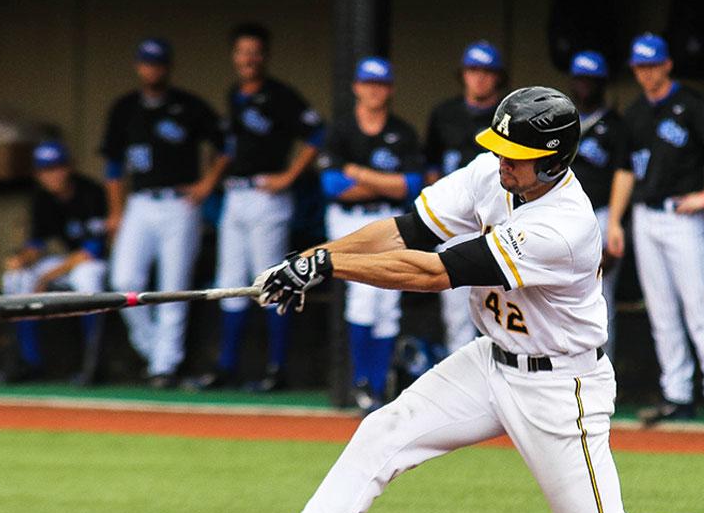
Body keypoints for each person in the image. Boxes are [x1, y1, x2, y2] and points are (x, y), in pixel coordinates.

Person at [199, 87, 704, 513]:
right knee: (381, 431)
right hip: (492, 359)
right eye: (501, 150)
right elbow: (405, 231)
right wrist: (314, 256)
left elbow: (433, 271)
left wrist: (332, 266)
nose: (503, 164)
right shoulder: (493, 172)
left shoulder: (565, 225)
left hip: (561, 387)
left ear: (554, 161)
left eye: (519, 158)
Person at [605, 34, 704, 426]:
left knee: (697, 302)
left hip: (682, 215)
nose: (646, 73)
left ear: (667, 65)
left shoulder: (690, 104)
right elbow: (625, 171)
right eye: (640, 66)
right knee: (661, 309)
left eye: (652, 65)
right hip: (646, 216)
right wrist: (615, 220)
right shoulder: (633, 114)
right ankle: (677, 393)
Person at [186, 22, 323, 392]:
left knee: (271, 279)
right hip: (235, 194)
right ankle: (226, 365)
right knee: (230, 281)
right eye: (242, 52)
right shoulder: (235, 94)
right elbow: (229, 150)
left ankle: (276, 369)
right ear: (235, 57)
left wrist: (289, 176)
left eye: (255, 52)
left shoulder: (281, 95)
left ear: (265, 56)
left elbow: (317, 134)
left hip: (267, 195)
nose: (249, 58)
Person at [100, 39, 221, 388]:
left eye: (158, 63)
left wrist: (207, 184)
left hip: (179, 203)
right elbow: (112, 163)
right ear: (139, 66)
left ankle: (163, 367)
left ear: (167, 67)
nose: (152, 69)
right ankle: (156, 351)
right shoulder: (125, 108)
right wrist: (115, 211)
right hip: (139, 202)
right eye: (146, 63)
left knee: (173, 286)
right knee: (123, 281)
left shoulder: (188, 106)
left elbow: (224, 145)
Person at [318, 57, 425, 412]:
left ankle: (377, 388)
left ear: (390, 89)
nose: (374, 89)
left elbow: (409, 185)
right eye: (368, 83)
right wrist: (384, 184)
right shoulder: (341, 130)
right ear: (356, 87)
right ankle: (363, 382)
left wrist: (359, 174)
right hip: (348, 219)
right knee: (365, 294)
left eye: (380, 84)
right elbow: (332, 185)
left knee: (388, 301)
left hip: (388, 218)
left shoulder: (402, 132)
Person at [0, 141, 111, 385]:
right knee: (16, 278)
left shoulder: (90, 192)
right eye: (46, 170)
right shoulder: (42, 199)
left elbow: (92, 251)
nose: (53, 175)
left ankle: (92, 365)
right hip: (68, 262)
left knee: (86, 279)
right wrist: (20, 259)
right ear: (38, 174)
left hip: (95, 262)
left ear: (69, 167)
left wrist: (46, 277)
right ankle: (28, 362)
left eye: (57, 167)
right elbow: (37, 245)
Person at [421, 41, 509, 355]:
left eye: (487, 71)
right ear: (463, 74)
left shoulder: (508, 115)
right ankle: (462, 385)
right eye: (473, 70)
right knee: (456, 312)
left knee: (500, 308)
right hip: (456, 220)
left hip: (498, 221)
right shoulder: (444, 114)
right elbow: (429, 165)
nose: (480, 78)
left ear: (498, 76)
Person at [566, 50, 625, 350]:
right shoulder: (559, 121)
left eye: (591, 79)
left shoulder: (616, 125)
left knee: (599, 299)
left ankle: (601, 382)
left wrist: (615, 223)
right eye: (580, 79)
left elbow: (624, 176)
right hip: (560, 218)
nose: (584, 85)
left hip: (599, 215)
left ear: (603, 83)